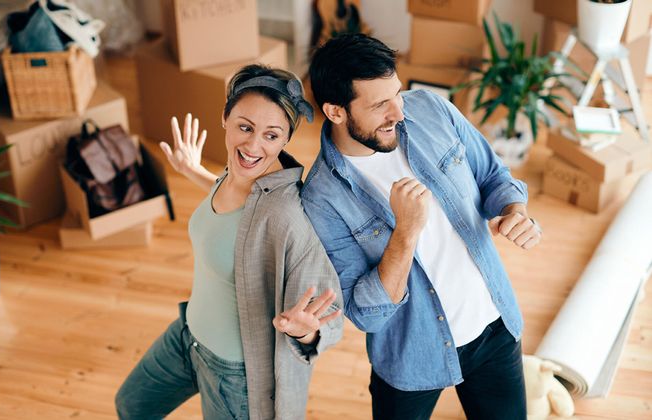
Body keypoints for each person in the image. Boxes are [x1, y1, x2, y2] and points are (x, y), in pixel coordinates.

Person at [301, 33, 543, 420]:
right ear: (335, 112)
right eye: (380, 104)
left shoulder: (430, 109)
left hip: (494, 326)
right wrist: (406, 231)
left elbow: (494, 175)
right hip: (411, 356)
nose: (398, 111)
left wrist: (515, 211)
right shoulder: (320, 197)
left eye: (396, 93)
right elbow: (367, 313)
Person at [115, 64, 343, 419]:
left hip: (233, 373)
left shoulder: (286, 216)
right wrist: (194, 171)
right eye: (245, 127)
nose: (253, 145)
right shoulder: (235, 174)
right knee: (132, 404)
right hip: (187, 335)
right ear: (225, 117)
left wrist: (307, 335)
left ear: (285, 140)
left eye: (271, 135)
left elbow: (329, 315)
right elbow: (238, 214)